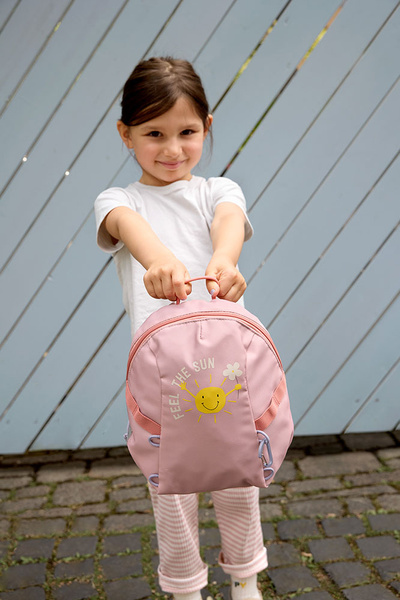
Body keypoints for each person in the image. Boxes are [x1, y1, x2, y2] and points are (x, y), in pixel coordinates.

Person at [94, 57, 266, 600]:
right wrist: (160, 262)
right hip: (162, 380)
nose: (172, 149)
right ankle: (186, 587)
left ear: (206, 127)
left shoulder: (218, 190)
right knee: (169, 488)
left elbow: (229, 220)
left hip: (229, 371)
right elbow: (128, 227)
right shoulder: (118, 201)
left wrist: (224, 259)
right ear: (125, 134)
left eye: (187, 132)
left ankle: (245, 580)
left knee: (240, 476)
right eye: (154, 134)